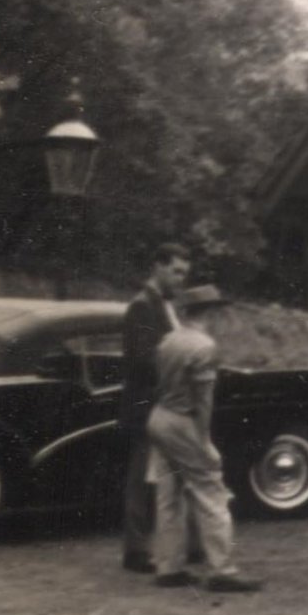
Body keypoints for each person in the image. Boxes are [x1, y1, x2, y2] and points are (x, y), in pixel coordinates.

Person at [146, 284, 262, 592]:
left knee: (168, 494)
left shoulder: (168, 340)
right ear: (210, 312)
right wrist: (205, 440)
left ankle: (168, 566)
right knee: (211, 488)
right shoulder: (204, 346)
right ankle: (221, 568)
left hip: (159, 416)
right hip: (184, 420)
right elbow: (204, 400)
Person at [119, 243, 191, 573]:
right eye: (176, 271)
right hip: (147, 403)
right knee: (141, 477)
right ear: (158, 267)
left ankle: (177, 544)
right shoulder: (143, 307)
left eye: (184, 274)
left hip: (165, 403)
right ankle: (135, 548)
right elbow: (142, 359)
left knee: (166, 476)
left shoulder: (166, 307)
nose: (180, 279)